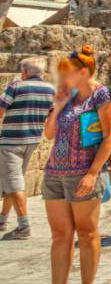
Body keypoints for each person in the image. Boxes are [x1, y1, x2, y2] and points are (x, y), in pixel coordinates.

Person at [43, 45, 111, 284]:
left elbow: (110, 136)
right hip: (55, 172)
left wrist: (92, 173)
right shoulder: (68, 97)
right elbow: (48, 134)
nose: (64, 77)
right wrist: (57, 107)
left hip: (83, 172)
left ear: (84, 72)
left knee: (86, 233)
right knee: (59, 235)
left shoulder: (103, 96)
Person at [0, 56, 54, 240]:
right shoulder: (50, 89)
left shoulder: (16, 87)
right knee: (14, 180)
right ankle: (2, 220)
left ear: (24, 72)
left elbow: (0, 109)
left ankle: (24, 226)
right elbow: (53, 116)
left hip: (11, 141)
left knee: (14, 182)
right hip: (32, 140)